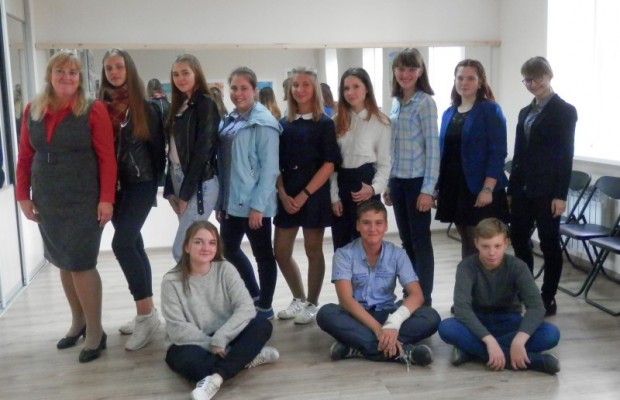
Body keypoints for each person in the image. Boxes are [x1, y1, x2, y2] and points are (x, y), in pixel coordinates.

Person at [16, 51, 116, 363]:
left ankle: (96, 332)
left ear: (79, 78)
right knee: (62, 260)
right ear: (50, 75)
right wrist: (22, 195)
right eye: (60, 71)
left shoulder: (93, 109)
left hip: (83, 197)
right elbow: (25, 156)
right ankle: (78, 322)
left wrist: (107, 198)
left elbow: (107, 158)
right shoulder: (33, 109)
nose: (66, 77)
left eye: (73, 72)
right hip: (47, 196)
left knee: (82, 263)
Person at [161, 221, 279, 400]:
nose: (205, 248)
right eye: (198, 242)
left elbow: (246, 307)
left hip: (226, 333)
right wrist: (212, 344)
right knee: (192, 364)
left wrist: (222, 338)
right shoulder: (171, 281)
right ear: (186, 246)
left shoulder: (226, 269)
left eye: (212, 243)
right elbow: (177, 328)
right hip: (191, 341)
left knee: (262, 326)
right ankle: (245, 357)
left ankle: (216, 378)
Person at [316, 201, 440, 367]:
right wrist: (378, 329)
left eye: (378, 223)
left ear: (386, 226)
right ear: (358, 225)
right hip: (356, 316)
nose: (372, 229)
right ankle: (403, 351)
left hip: (387, 313)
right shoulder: (343, 254)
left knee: (431, 316)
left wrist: (393, 324)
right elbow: (345, 300)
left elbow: (417, 295)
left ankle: (357, 346)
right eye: (366, 223)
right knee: (326, 313)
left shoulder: (398, 254)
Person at [98, 49, 166, 350]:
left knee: (122, 244)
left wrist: (156, 188)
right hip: (113, 188)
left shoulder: (145, 108)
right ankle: (148, 312)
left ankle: (145, 315)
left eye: (119, 67)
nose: (114, 72)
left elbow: (157, 152)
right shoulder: (99, 108)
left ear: (129, 70)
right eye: (109, 68)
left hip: (140, 183)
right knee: (134, 244)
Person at [437, 218, 561, 374]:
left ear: (506, 244)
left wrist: (519, 340)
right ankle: (528, 361)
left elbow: (536, 307)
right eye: (485, 246)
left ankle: (472, 352)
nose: (491, 252)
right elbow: (462, 310)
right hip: (477, 321)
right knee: (446, 327)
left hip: (510, 321)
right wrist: (489, 341)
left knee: (551, 333)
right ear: (476, 243)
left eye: (497, 246)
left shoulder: (518, 267)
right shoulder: (466, 267)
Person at [507, 57, 577, 317]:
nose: (532, 83)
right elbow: (518, 153)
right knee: (519, 239)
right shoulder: (525, 112)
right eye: (527, 79)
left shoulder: (565, 111)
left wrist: (560, 195)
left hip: (548, 191)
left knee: (549, 243)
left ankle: (548, 296)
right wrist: (512, 190)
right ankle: (527, 291)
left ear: (549, 76)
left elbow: (565, 156)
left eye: (537, 77)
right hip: (522, 189)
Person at [274, 67, 341, 324]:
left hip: (313, 195)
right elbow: (275, 165)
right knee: (280, 251)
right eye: (295, 85)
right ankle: (298, 298)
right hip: (287, 194)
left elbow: (329, 164)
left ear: (314, 89)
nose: (300, 89)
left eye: (305, 85)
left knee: (313, 250)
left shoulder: (324, 123)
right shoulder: (282, 125)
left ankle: (312, 303)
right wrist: (282, 193)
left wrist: (304, 194)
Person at [216, 66, 281, 320]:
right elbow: (225, 166)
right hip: (231, 202)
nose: (238, 93)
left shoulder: (264, 123)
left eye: (244, 88)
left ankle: (265, 306)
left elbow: (270, 169)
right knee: (228, 249)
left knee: (263, 256)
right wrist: (221, 203)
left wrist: (258, 207)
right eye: (234, 88)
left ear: (255, 90)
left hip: (255, 205)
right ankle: (254, 294)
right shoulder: (231, 120)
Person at [435, 59, 509, 259]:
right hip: (455, 187)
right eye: (460, 78)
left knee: (481, 245)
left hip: (480, 189)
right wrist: (438, 188)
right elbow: (444, 153)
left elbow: (498, 152)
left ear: (480, 81)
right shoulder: (448, 113)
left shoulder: (490, 110)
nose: (464, 83)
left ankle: (483, 280)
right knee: (467, 243)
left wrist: (488, 188)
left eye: (470, 78)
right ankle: (469, 278)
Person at [383, 48, 439, 306]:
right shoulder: (396, 102)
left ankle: (423, 298)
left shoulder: (425, 102)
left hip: (417, 183)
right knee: (406, 242)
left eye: (411, 69)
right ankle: (411, 294)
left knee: (420, 242)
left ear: (420, 71)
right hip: (398, 181)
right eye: (400, 69)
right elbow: (393, 147)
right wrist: (388, 183)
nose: (405, 74)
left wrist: (428, 190)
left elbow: (433, 149)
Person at [163, 54, 220, 262]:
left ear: (197, 73)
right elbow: (173, 151)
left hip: (200, 183)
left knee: (182, 250)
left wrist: (186, 193)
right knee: (190, 250)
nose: (180, 78)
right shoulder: (180, 105)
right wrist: (170, 188)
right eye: (176, 74)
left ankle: (207, 283)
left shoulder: (205, 104)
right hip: (179, 178)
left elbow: (202, 152)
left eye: (185, 73)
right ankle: (197, 284)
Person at [331, 67, 391, 250]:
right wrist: (334, 197)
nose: (350, 92)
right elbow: (331, 165)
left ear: (367, 89)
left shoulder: (381, 122)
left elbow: (384, 164)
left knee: (368, 246)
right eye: (346, 88)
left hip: (366, 185)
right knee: (342, 246)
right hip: (342, 185)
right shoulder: (335, 121)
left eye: (356, 86)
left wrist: (373, 189)